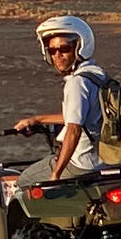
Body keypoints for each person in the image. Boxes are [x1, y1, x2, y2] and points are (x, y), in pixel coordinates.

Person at [14, 13, 111, 185]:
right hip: (108, 157)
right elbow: (80, 116)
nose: (58, 55)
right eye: (52, 50)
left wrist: (56, 173)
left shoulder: (77, 83)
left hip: (84, 162)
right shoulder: (98, 76)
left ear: (79, 47)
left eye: (64, 49)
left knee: (25, 180)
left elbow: (74, 130)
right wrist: (37, 119)